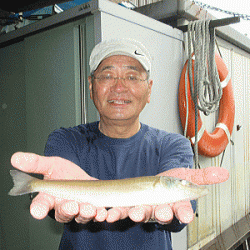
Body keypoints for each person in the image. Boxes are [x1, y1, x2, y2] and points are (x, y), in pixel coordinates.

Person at [11, 39, 229, 250]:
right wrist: (38, 187)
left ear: (149, 89)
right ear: (91, 86)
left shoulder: (174, 144)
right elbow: (55, 205)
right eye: (107, 75)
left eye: (132, 77)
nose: (119, 87)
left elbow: (180, 216)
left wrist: (169, 207)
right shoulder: (66, 140)